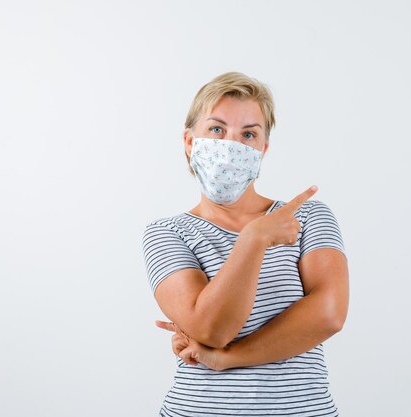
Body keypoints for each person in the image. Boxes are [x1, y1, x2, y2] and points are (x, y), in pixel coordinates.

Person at [141, 71, 349, 417]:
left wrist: (227, 358)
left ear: (263, 150)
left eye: (248, 134)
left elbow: (328, 315)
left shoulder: (307, 216)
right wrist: (253, 239)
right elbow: (213, 329)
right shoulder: (167, 232)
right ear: (190, 141)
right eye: (217, 129)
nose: (231, 145)